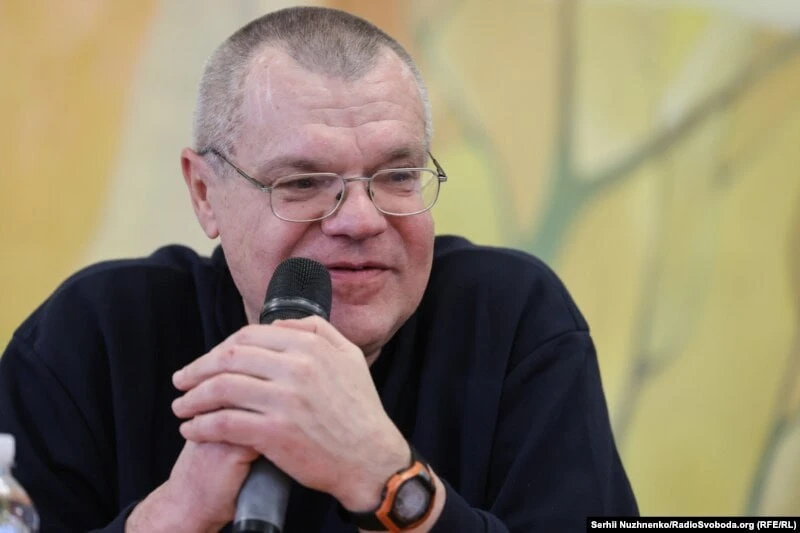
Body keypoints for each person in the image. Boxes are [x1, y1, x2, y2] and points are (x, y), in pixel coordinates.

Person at [0, 6, 638, 532]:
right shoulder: (97, 335)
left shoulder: (512, 317)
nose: (360, 219)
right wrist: (176, 514)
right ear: (204, 193)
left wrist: (389, 481)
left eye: (398, 175)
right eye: (303, 182)